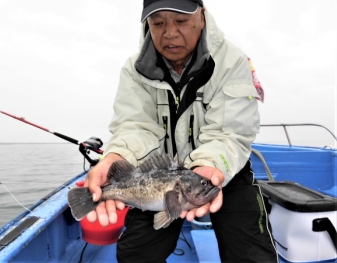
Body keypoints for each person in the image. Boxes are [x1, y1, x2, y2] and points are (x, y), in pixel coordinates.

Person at [85, 0, 279, 262]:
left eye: (181, 20)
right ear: (147, 25)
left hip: (222, 170)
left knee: (252, 255)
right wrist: (116, 156)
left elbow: (229, 133)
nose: (170, 33)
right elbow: (135, 126)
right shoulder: (134, 70)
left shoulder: (232, 62)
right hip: (158, 173)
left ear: (202, 16)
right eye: (158, 23)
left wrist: (210, 167)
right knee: (135, 254)